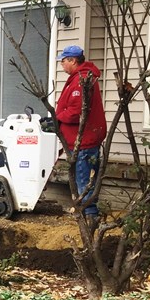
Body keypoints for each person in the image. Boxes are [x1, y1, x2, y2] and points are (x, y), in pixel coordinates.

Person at [55, 45, 106, 216]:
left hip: (84, 141)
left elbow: (76, 112)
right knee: (85, 179)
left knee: (84, 181)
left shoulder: (81, 80)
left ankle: (90, 216)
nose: (61, 64)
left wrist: (57, 117)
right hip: (83, 138)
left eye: (63, 61)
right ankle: (84, 211)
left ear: (73, 60)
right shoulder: (80, 78)